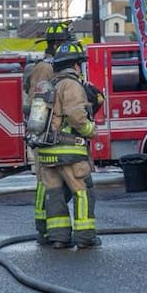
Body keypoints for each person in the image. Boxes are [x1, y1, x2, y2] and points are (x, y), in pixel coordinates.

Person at [32, 41, 102, 249]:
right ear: (76, 65)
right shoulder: (71, 84)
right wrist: (92, 131)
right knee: (83, 192)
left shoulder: (49, 85)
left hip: (46, 152)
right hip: (69, 151)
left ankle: (59, 238)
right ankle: (85, 237)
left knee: (54, 195)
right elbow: (76, 117)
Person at [25, 21, 73, 244]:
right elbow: (39, 103)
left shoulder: (55, 65)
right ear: (56, 44)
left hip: (52, 135)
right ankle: (44, 228)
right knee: (47, 184)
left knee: (54, 184)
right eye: (64, 43)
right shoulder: (45, 68)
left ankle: (49, 228)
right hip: (45, 135)